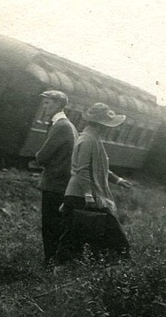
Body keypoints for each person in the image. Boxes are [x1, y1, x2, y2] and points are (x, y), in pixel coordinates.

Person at [56, 103, 134, 262]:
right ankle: (60, 268)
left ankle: (66, 267)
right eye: (107, 125)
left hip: (81, 195)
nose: (109, 129)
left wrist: (118, 180)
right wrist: (88, 196)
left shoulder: (93, 139)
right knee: (110, 236)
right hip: (81, 195)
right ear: (99, 125)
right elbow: (83, 170)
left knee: (76, 236)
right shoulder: (87, 140)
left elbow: (99, 167)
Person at [32, 90, 78, 264]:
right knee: (57, 225)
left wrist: (38, 157)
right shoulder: (69, 125)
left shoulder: (60, 126)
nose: (44, 107)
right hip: (62, 183)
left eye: (47, 103)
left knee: (50, 225)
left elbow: (43, 156)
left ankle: (50, 262)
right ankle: (56, 262)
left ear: (58, 104)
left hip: (55, 184)